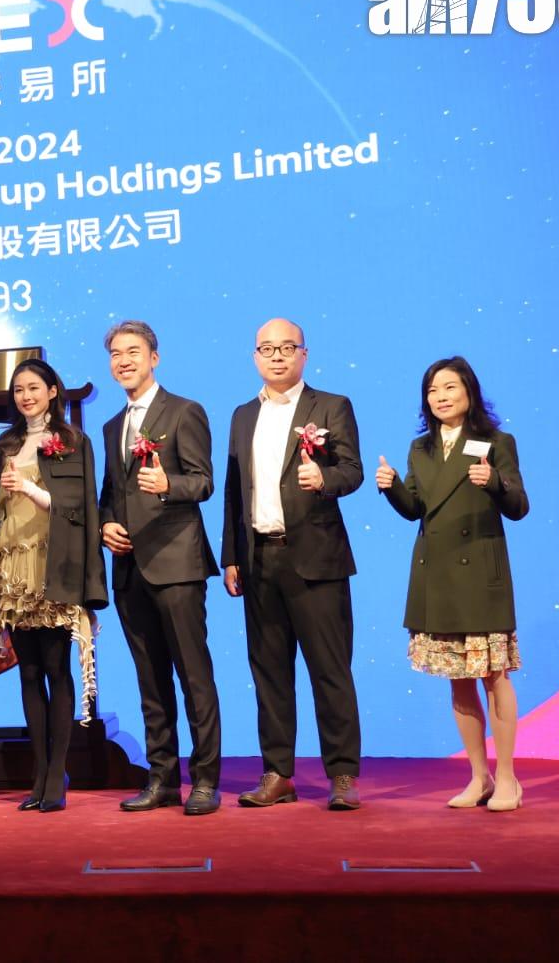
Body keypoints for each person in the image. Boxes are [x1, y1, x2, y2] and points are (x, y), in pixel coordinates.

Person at [221, 320, 366, 811]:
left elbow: (352, 470)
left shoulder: (331, 406)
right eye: (267, 348)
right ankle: (278, 773)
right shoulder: (243, 415)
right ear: (255, 357)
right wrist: (231, 556)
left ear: (304, 354)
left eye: (287, 347)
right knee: (269, 673)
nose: (277, 356)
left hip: (316, 558)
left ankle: (342, 774)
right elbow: (234, 491)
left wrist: (324, 478)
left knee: (330, 670)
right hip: (259, 558)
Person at [376, 357, 530, 811]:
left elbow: (519, 506)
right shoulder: (420, 449)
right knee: (458, 682)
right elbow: (416, 509)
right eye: (432, 390)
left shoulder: (496, 442)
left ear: (469, 392)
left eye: (449, 387)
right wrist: (391, 487)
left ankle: (508, 778)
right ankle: (479, 777)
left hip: (479, 574)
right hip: (437, 576)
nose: (440, 397)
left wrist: (494, 481)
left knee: (493, 677)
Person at [97, 321, 224, 816]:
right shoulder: (113, 426)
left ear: (154, 357)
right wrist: (106, 524)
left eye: (133, 351)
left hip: (176, 563)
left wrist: (169, 484)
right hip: (130, 569)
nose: (124, 360)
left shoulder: (184, 411)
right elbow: (111, 493)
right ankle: (162, 778)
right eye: (116, 354)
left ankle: (205, 780)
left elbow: (203, 482)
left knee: (194, 677)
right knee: (150, 681)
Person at [0, 359, 106, 813]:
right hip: (13, 569)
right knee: (27, 672)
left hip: (52, 565)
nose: (25, 396)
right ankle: (40, 770)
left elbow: (79, 507)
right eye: (18, 389)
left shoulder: (72, 441)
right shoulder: (5, 444)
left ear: (53, 391)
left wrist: (30, 489)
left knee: (55, 668)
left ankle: (57, 773)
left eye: (33, 387)